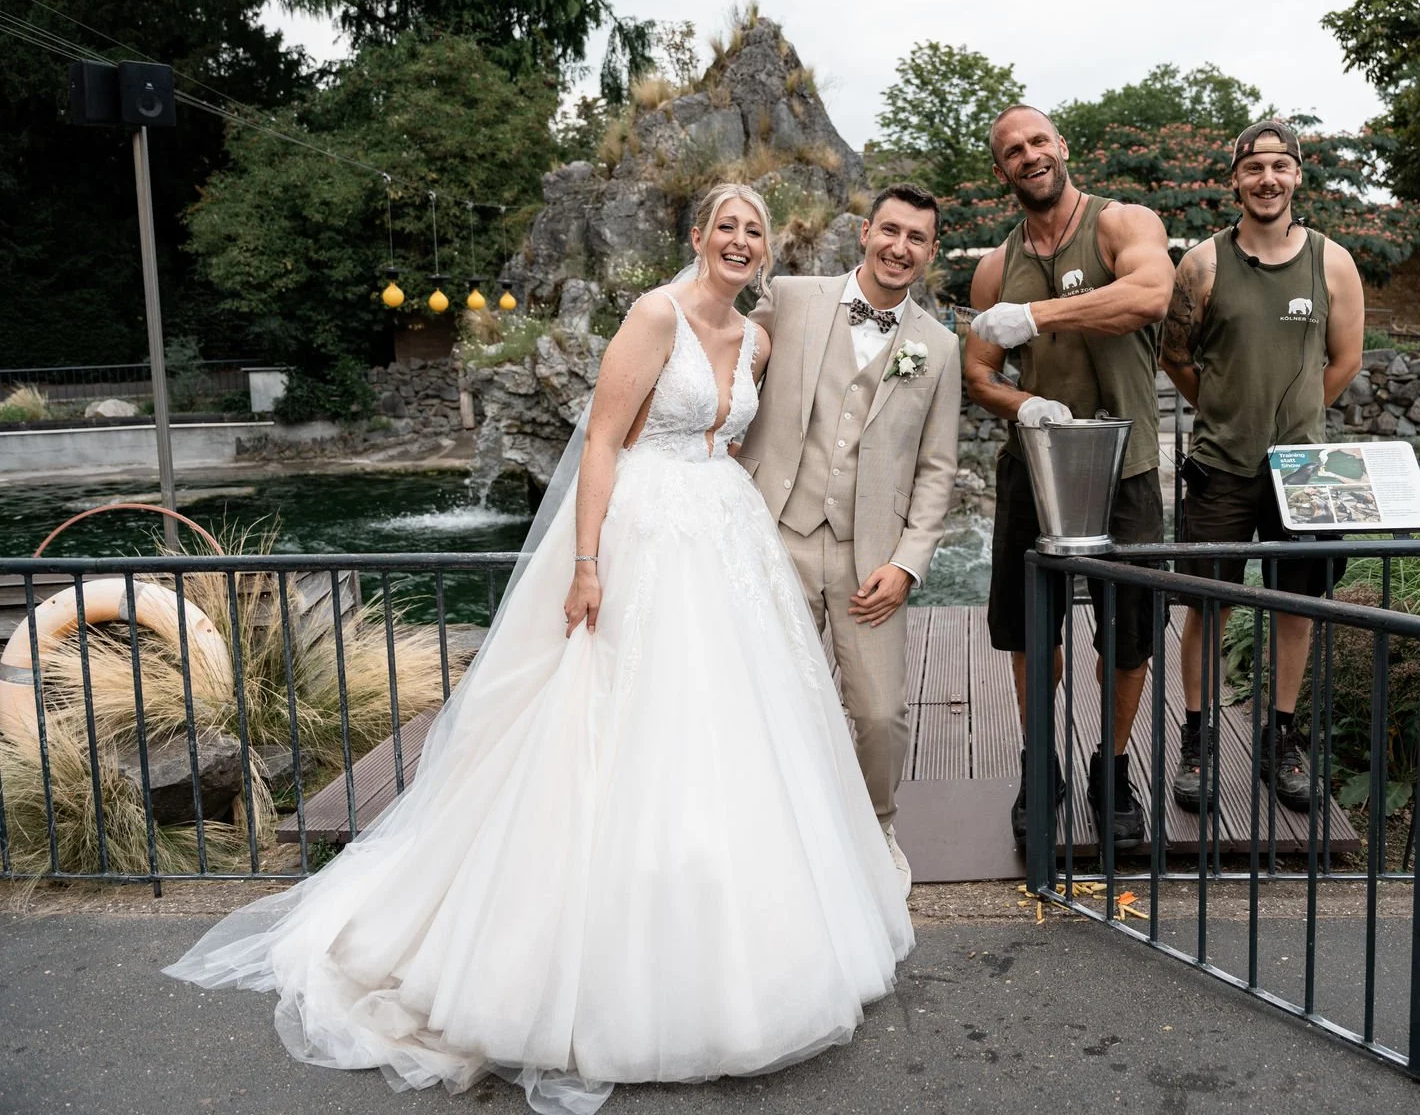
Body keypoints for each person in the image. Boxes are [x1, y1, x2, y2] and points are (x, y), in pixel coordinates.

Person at [164, 184, 912, 1115]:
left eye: (754, 231)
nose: (740, 239)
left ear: (767, 251)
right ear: (696, 236)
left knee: (735, 736)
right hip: (643, 537)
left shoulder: (760, 337)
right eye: (726, 225)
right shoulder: (654, 315)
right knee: (615, 728)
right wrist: (588, 564)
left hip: (728, 540)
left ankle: (752, 936)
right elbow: (600, 442)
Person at [737, 182, 961, 894]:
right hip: (775, 536)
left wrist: (908, 563)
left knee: (879, 714)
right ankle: (774, 831)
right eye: (889, 231)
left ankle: (878, 825)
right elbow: (732, 366)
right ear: (865, 232)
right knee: (770, 696)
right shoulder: (795, 298)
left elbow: (937, 469)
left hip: (873, 560)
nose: (900, 248)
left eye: (916, 238)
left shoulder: (939, 347)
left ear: (930, 252)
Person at [965, 104, 1174, 852]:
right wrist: (1028, 405)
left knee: (1130, 637)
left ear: (1062, 147)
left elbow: (1150, 294)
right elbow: (978, 371)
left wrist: (1039, 316)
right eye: (1012, 150)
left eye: (1038, 141)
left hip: (1127, 468)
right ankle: (1040, 761)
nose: (1029, 155)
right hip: (1035, 468)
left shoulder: (1121, 223)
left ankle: (1111, 768)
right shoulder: (995, 266)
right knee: (1030, 628)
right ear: (1002, 171)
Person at [1159, 119, 1364, 814]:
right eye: (1254, 169)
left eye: (1281, 166)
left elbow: (1345, 362)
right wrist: (1228, 412)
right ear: (1236, 181)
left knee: (1296, 611)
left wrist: (1294, 427)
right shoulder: (1201, 265)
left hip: (1305, 473)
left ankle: (1280, 739)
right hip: (1219, 465)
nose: (1267, 179)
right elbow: (1177, 358)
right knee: (1207, 609)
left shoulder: (1333, 262)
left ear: (1298, 175)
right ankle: (1198, 741)